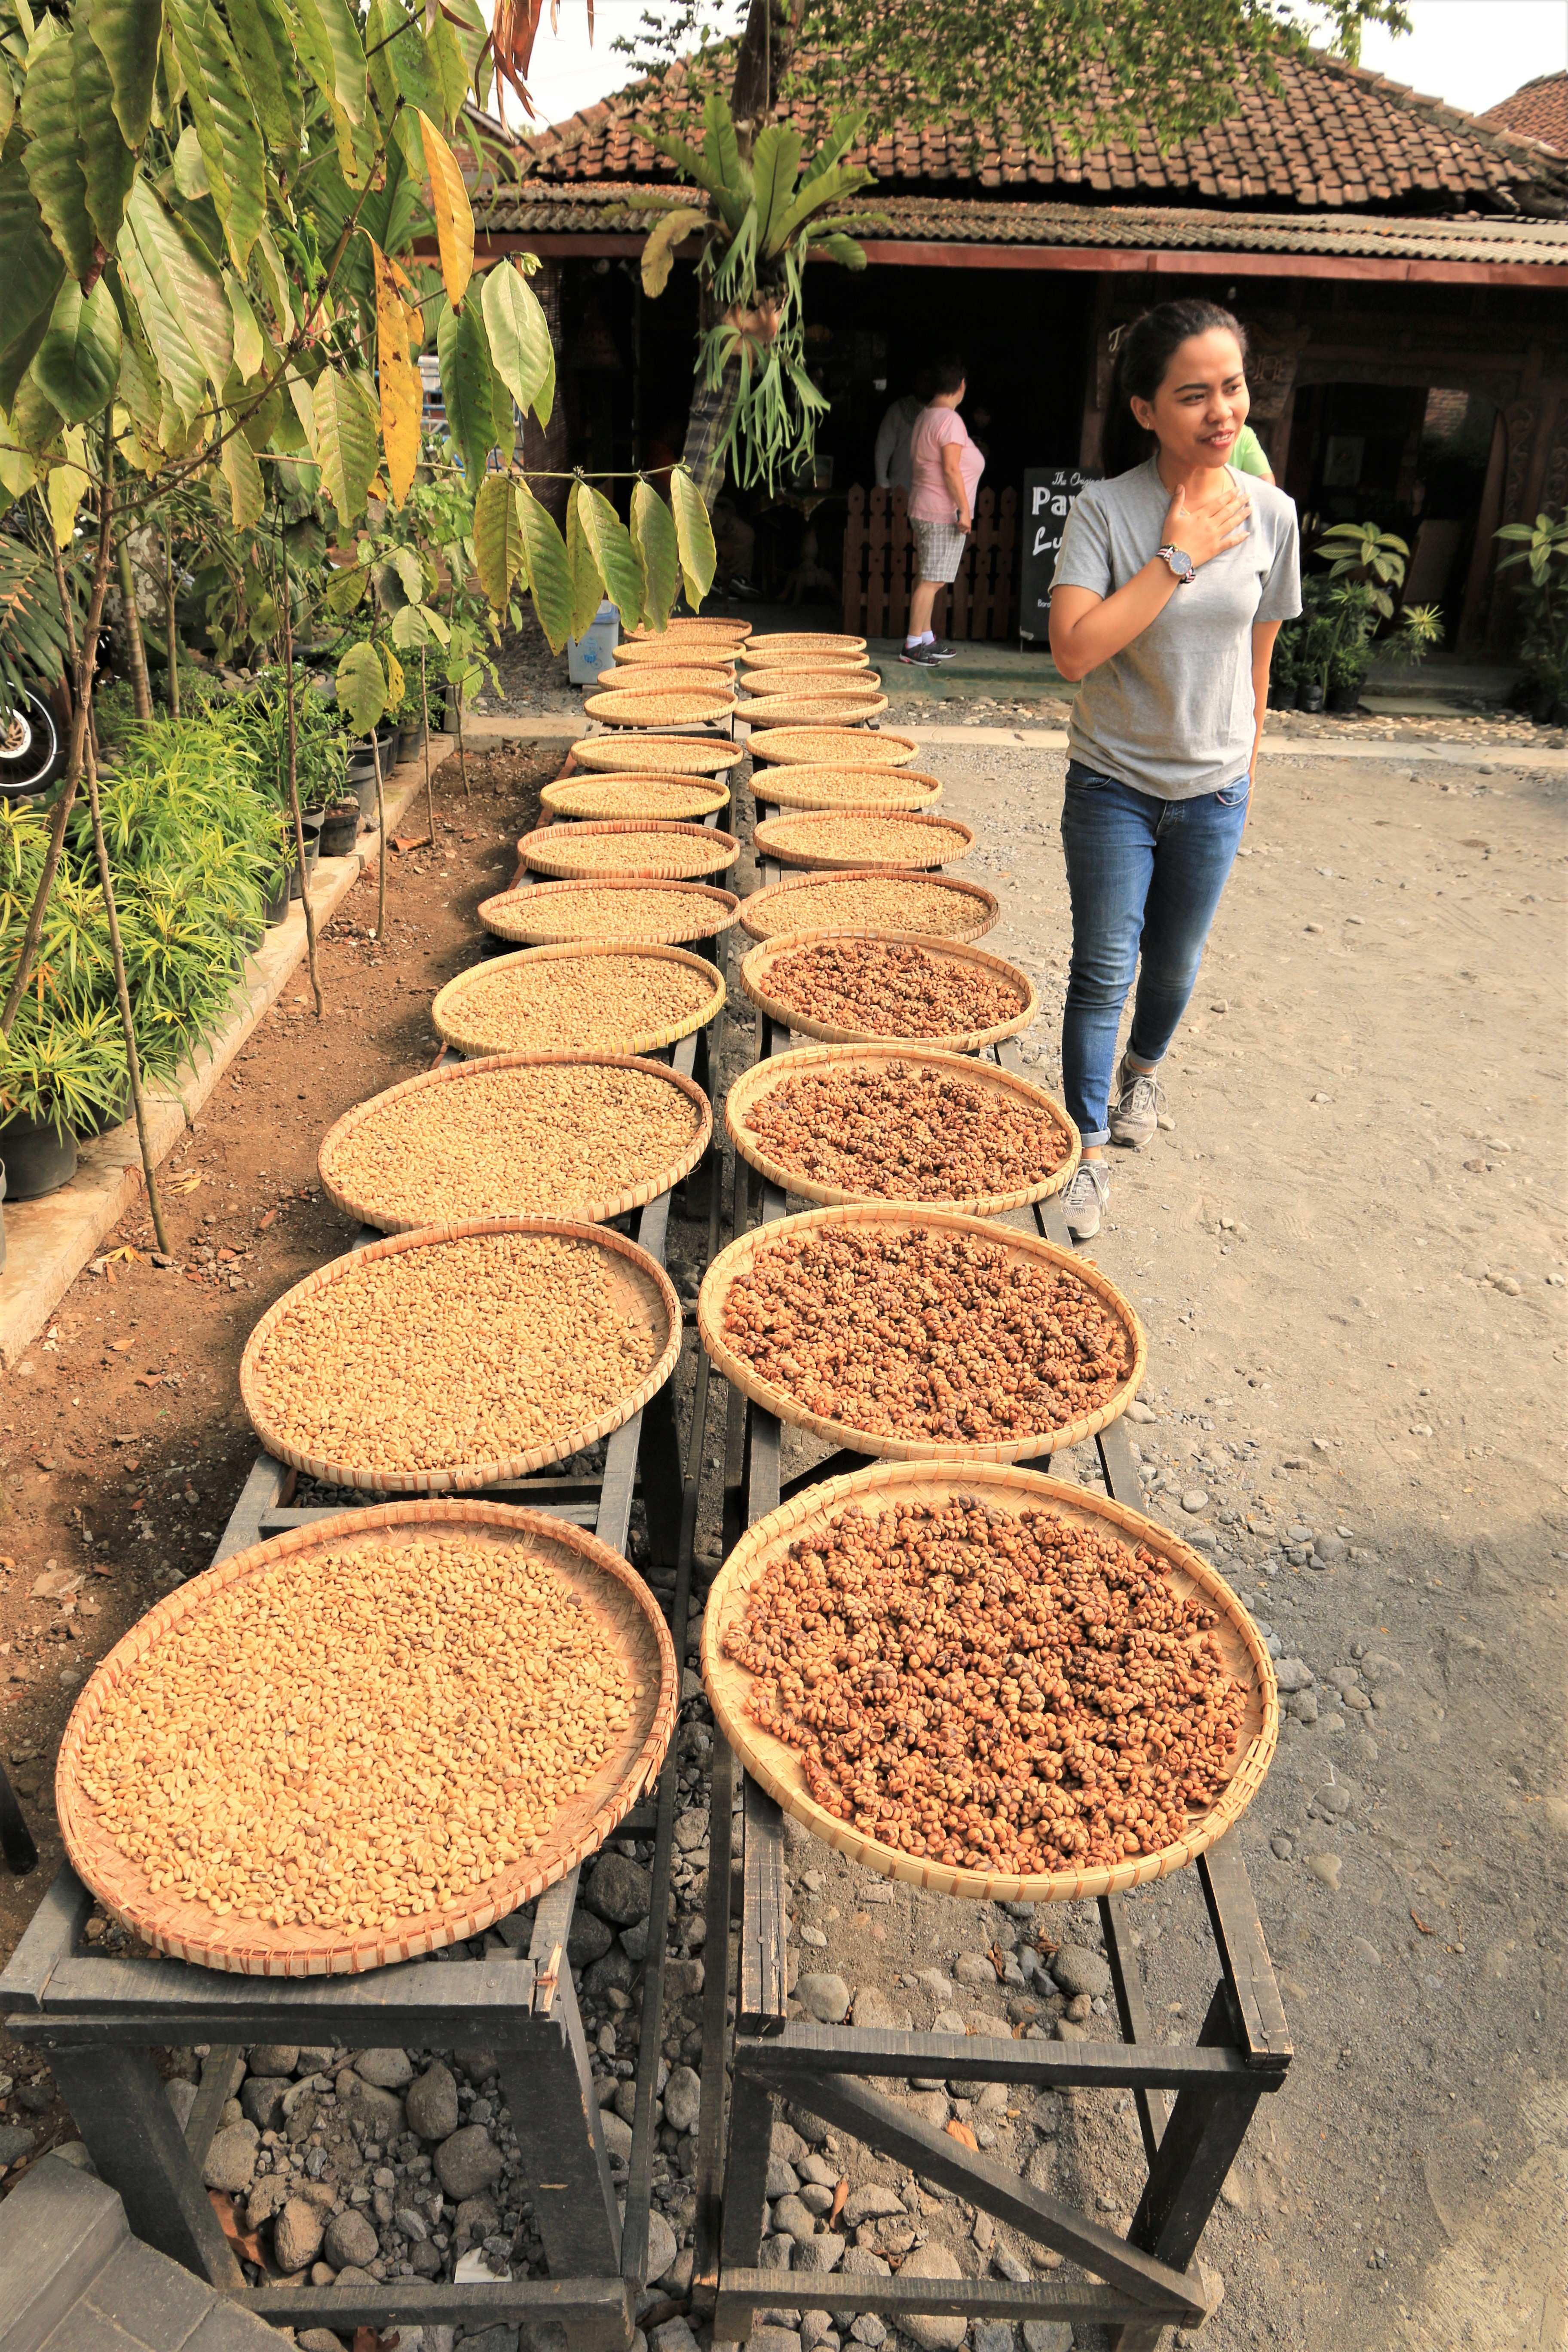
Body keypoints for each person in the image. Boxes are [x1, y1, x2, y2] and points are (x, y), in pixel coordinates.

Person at [1047, 298, 1301, 1240]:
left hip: (1214, 792)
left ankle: (1144, 1074)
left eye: (1232, 389)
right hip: (1113, 783)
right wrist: (1179, 556)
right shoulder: (1105, 512)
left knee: (1177, 965)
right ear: (1146, 410)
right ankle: (1089, 1149)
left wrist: (1245, 770)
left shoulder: (1273, 515)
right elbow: (1074, 649)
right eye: (1194, 395)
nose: (1223, 412)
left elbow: (1259, 660)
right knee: (1103, 969)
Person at [903, 359, 984, 665]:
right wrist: (964, 510)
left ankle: (925, 637)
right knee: (933, 580)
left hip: (925, 504)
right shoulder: (950, 421)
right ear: (961, 385)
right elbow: (951, 470)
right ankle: (912, 645)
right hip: (941, 510)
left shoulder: (926, 416)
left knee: (928, 575)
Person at [874, 375, 929, 495]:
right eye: (923, 379)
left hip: (933, 493)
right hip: (902, 489)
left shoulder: (946, 413)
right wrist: (882, 482)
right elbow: (883, 447)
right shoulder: (899, 409)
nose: (926, 384)